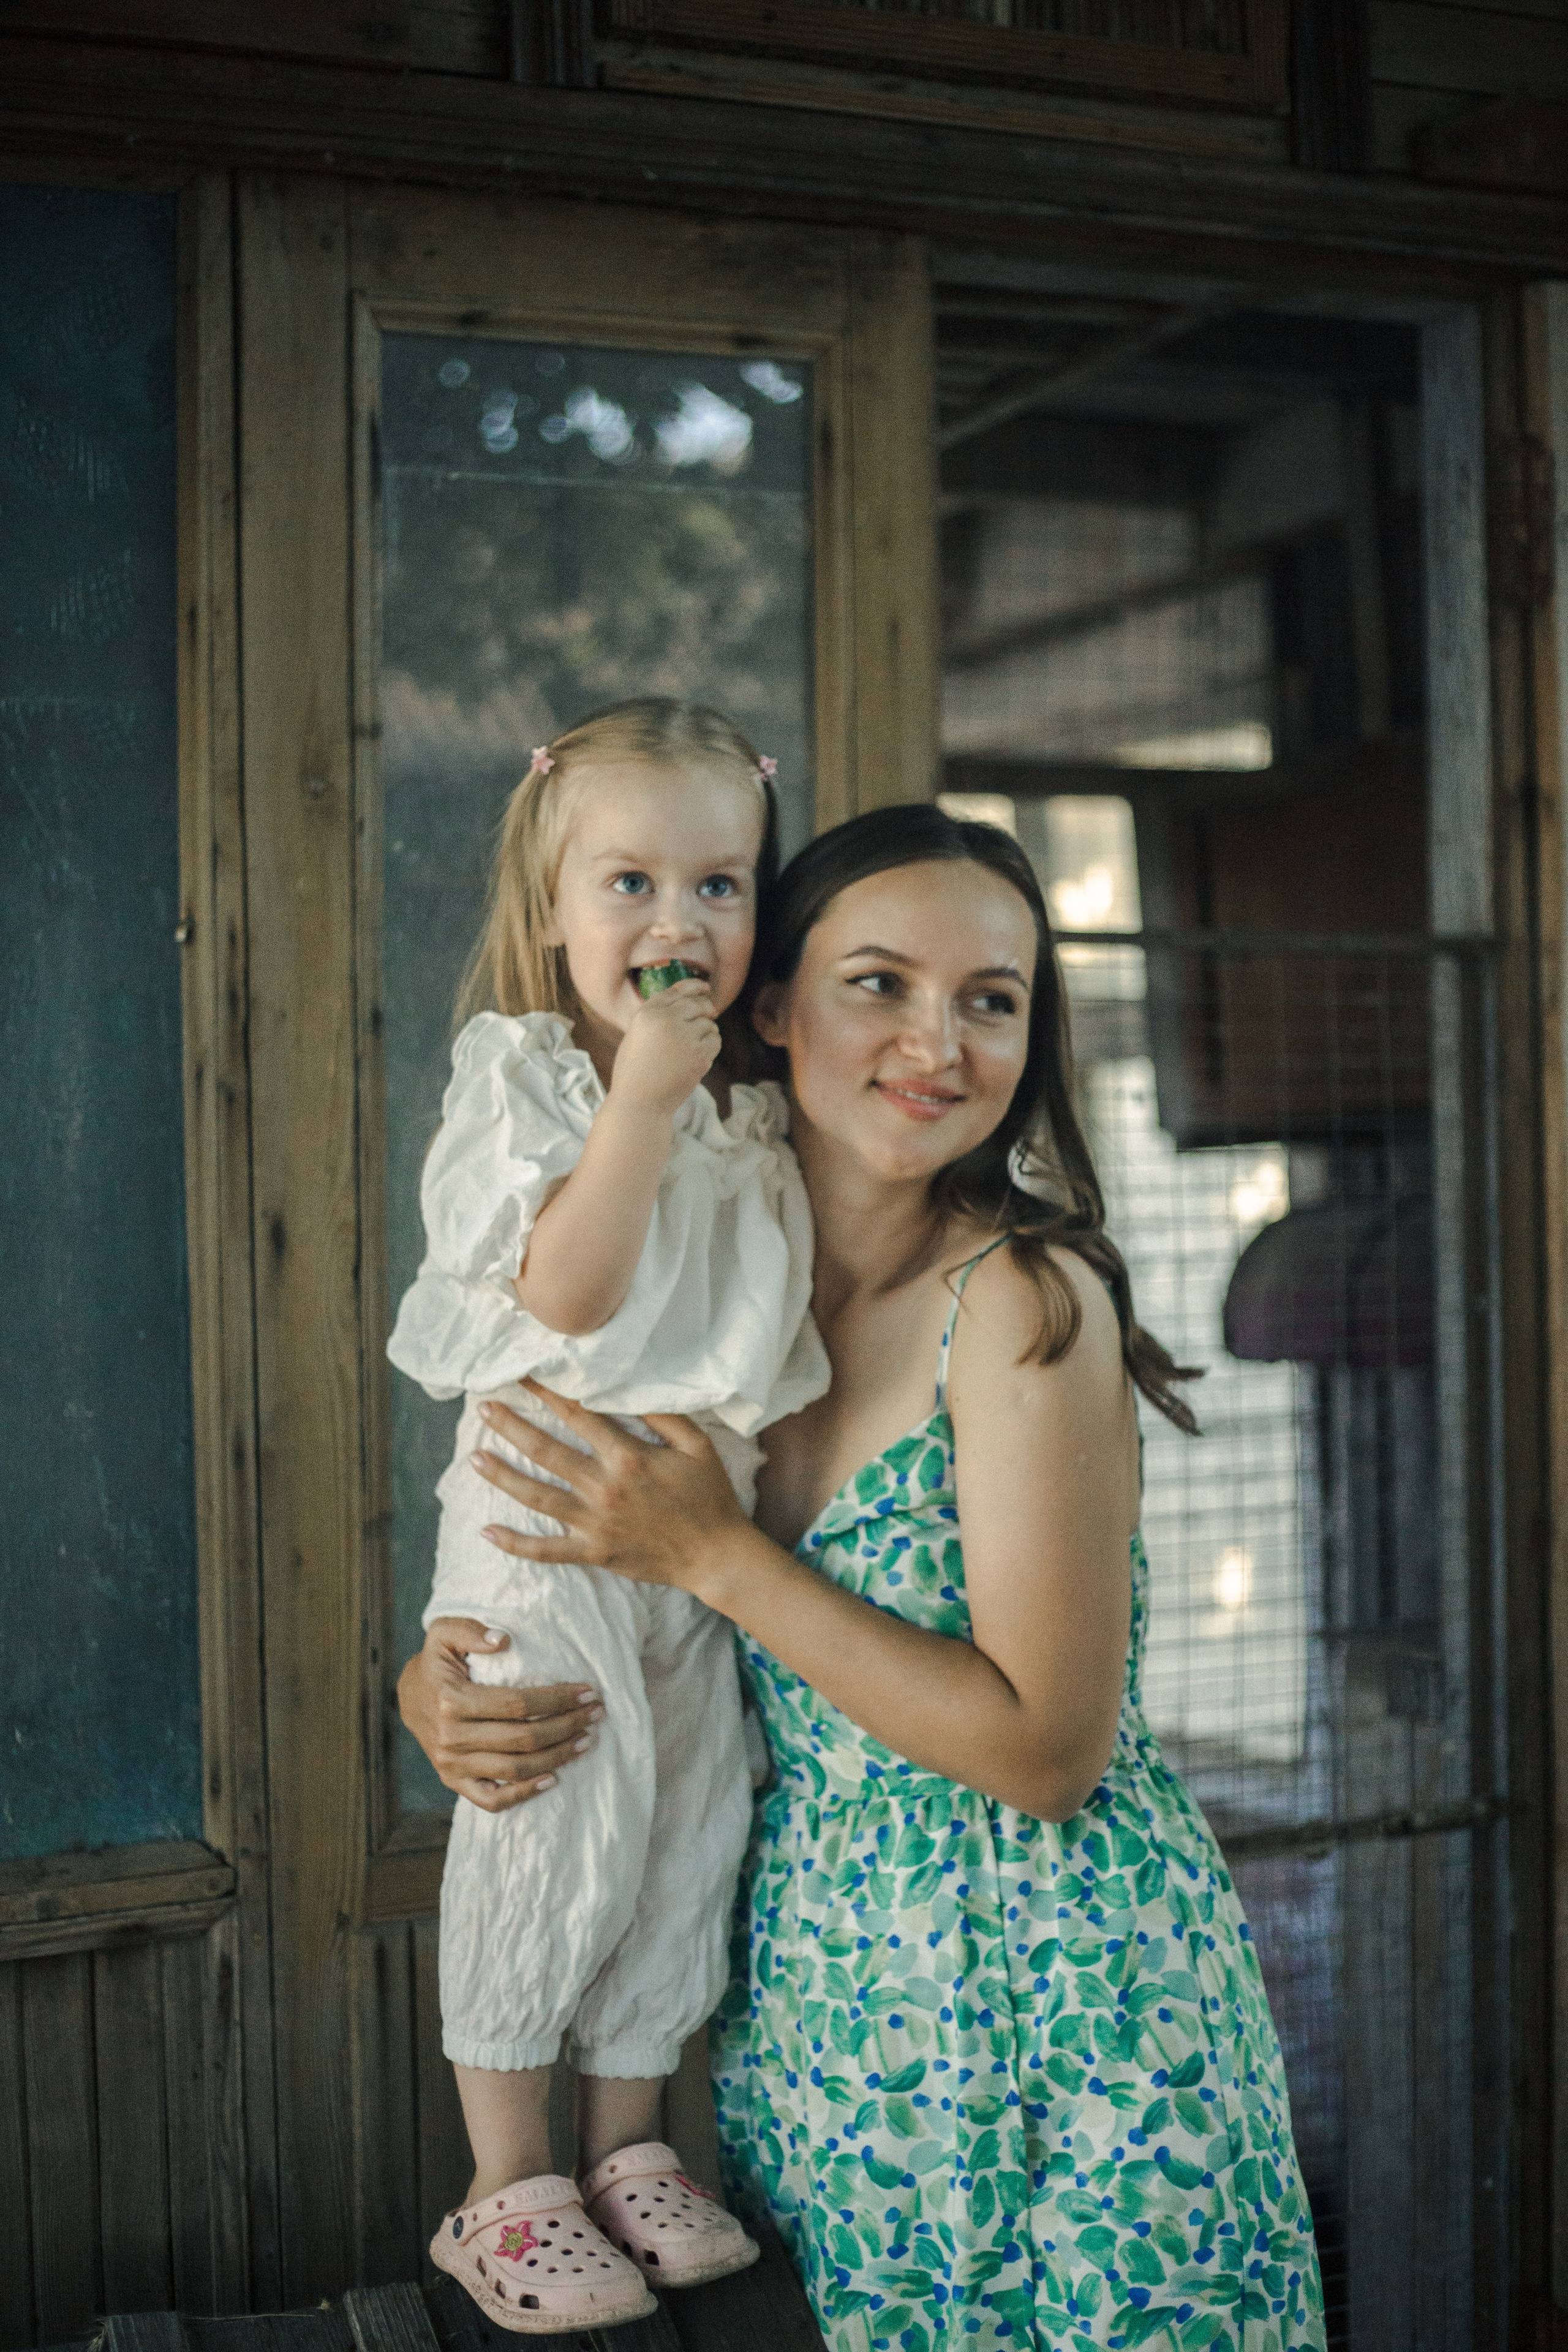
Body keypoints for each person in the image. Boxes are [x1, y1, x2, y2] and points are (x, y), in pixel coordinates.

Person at [402, 804, 1327, 2352]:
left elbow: (1047, 1753)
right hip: (835, 2023)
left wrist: (714, 1552)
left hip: (1070, 2016)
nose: (937, 1041)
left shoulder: (1021, 1309)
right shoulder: (677, 1301)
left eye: (991, 999)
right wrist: (449, 1679)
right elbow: (552, 1538)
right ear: (766, 1007)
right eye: (879, 984)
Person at [387, 698, 829, 2331]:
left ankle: (629, 2150)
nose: (677, 923)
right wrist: (639, 1098)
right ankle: (505, 2190)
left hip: (688, 1537)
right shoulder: (532, 1084)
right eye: (629, 884)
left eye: (720, 887)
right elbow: (569, 1292)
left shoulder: (750, 1114)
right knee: (555, 1808)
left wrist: (688, 1096)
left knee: (684, 1824)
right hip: (544, 1514)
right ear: (553, 908)